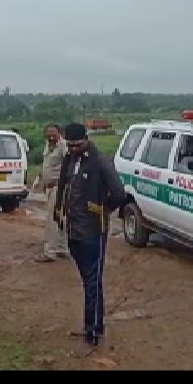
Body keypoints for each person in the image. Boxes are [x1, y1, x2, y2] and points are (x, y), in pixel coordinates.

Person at [53, 122, 127, 349]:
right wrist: (59, 213)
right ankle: (97, 323)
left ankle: (92, 330)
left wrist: (102, 210)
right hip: (73, 229)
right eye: (70, 144)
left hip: (93, 231)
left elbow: (119, 193)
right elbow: (62, 188)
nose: (73, 148)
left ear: (86, 140)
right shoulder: (69, 159)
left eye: (77, 144)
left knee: (92, 282)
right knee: (89, 281)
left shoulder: (100, 162)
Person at [34, 124, 69, 263]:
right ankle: (61, 248)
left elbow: (69, 165)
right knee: (60, 219)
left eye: (53, 133)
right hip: (50, 187)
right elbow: (47, 165)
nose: (51, 136)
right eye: (48, 133)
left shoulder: (63, 146)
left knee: (53, 219)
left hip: (58, 188)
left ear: (60, 133)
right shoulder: (48, 145)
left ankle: (50, 252)